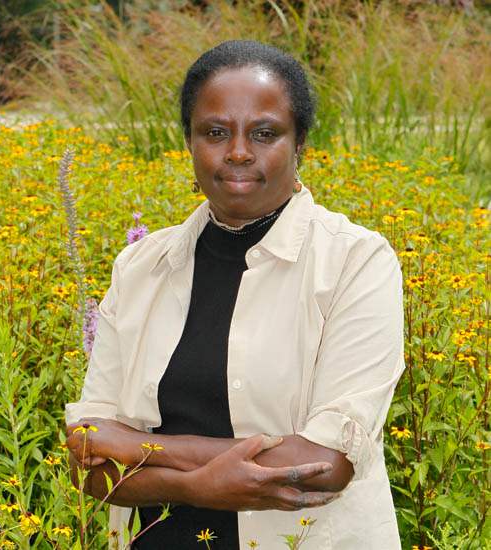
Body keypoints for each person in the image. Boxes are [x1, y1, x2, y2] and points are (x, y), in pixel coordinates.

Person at [65, 40, 405, 549]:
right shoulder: (140, 267)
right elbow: (90, 464)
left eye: (265, 133)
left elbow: (323, 464)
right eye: (215, 132)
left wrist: (140, 447)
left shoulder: (355, 262)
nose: (239, 152)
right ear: (189, 141)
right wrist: (196, 485)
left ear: (300, 144)